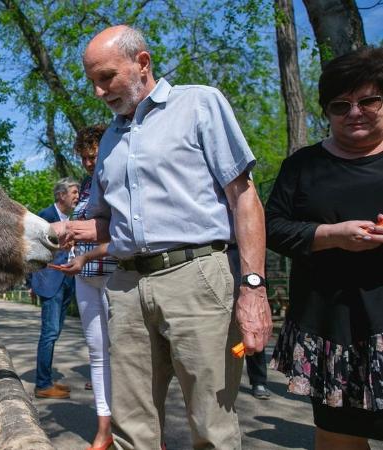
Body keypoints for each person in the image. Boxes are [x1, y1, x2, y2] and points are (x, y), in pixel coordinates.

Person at [59, 25, 272, 449]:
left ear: (142, 62)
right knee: (130, 429)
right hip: (124, 287)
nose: (99, 92)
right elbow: (108, 223)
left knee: (212, 427)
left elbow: (244, 199)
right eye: (92, 82)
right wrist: (58, 230)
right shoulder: (110, 140)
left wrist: (253, 288)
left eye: (106, 78)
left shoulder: (199, 104)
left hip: (196, 278)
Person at [266, 46, 383, 449]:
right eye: (340, 105)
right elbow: (272, 228)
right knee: (339, 434)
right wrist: (331, 236)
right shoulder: (302, 165)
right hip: (329, 326)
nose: (355, 112)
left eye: (368, 100)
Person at [51, 125, 117, 450]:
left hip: (116, 275)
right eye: (85, 157)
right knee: (97, 353)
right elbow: (84, 231)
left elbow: (125, 236)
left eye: (94, 156)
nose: (89, 162)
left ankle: (144, 430)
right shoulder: (88, 185)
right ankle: (104, 427)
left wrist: (87, 251)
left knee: (129, 355)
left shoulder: (117, 180)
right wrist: (70, 248)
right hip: (84, 276)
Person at [28, 178, 79, 399]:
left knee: (55, 332)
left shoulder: (71, 218)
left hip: (68, 280)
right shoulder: (45, 216)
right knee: (49, 333)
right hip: (51, 281)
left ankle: (47, 379)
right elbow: (32, 250)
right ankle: (42, 385)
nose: (77, 196)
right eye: (74, 192)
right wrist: (32, 283)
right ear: (61, 195)